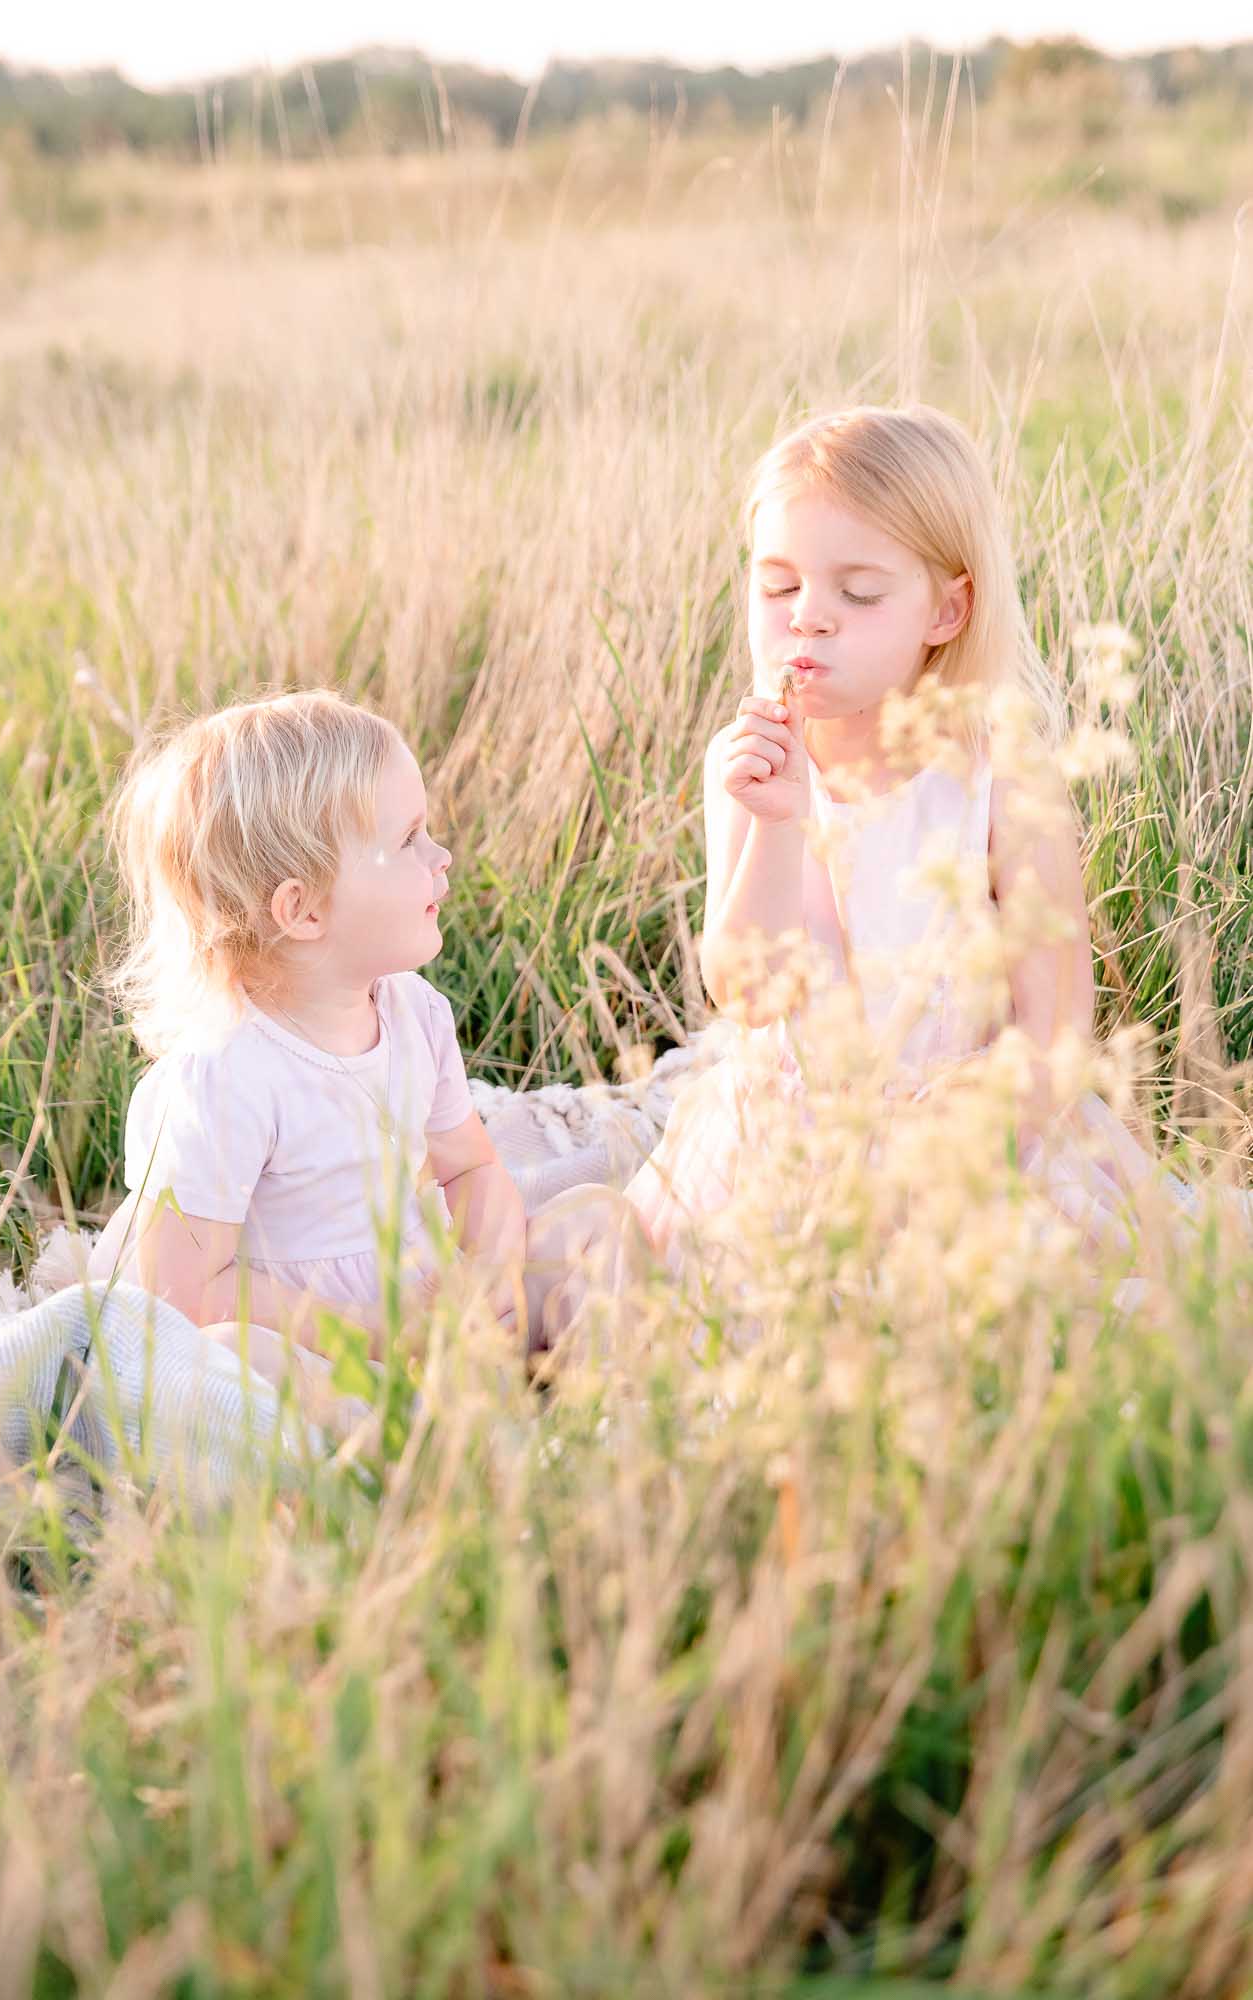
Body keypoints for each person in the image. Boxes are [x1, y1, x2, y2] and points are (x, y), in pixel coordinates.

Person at [623, 403, 1236, 1289]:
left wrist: (949, 1167)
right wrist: (775, 818)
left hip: (979, 1135)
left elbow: (1054, 1023)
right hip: (786, 1141)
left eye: (858, 592)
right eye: (778, 585)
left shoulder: (998, 776)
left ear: (945, 611)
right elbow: (746, 994)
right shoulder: (751, 764)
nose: (809, 619)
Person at [86, 689, 638, 1422]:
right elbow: (179, 1296)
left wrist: (493, 1280)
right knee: (234, 1358)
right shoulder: (226, 1076)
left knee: (592, 1220)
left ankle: (597, 1415)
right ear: (304, 909)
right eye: (408, 840)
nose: (440, 856)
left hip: (433, 1303)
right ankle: (403, 1449)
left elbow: (469, 1166)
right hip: (325, 1348)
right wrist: (377, 1334)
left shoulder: (414, 1012)